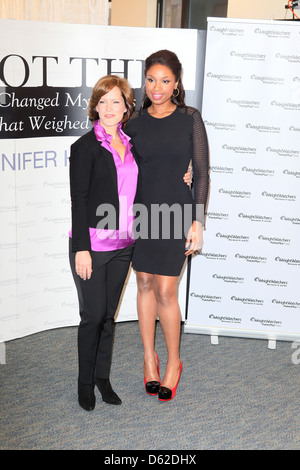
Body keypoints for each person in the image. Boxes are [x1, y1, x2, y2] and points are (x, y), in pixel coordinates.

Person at [69, 74, 192, 411]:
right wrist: (81, 247)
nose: (109, 108)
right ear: (95, 107)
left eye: (116, 102)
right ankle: (84, 384)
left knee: (109, 316)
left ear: (126, 108)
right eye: (103, 101)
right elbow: (78, 200)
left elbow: (160, 164)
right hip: (92, 247)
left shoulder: (131, 143)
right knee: (92, 317)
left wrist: (189, 169)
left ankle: (102, 380)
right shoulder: (84, 147)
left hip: (125, 245)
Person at [125, 50, 209, 401]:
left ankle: (174, 362)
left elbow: (202, 172)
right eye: (150, 79)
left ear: (177, 84)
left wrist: (198, 222)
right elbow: (117, 165)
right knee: (143, 283)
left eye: (165, 80)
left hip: (176, 212)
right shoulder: (133, 122)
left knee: (165, 291)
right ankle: (149, 358)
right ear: (144, 81)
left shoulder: (190, 118)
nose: (157, 87)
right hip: (141, 213)